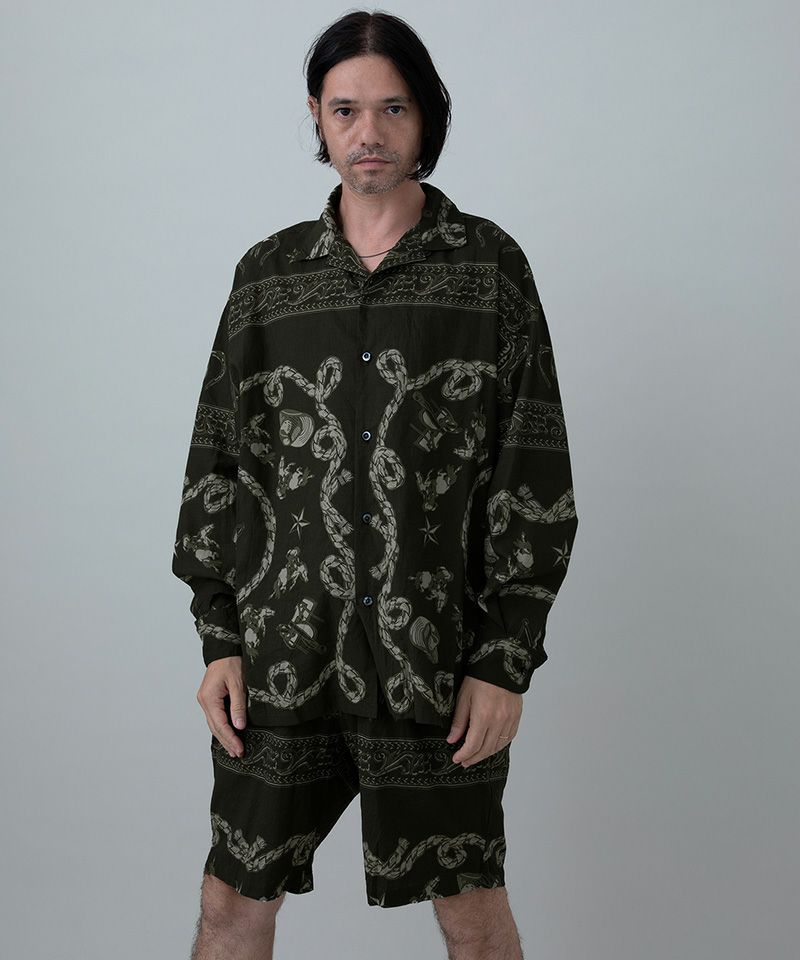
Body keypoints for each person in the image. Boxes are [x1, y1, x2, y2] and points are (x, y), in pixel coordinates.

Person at [171, 10, 579, 959]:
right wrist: (219, 637)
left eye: (393, 108)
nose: (369, 132)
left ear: (426, 116)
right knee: (231, 904)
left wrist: (504, 658)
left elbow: (533, 466)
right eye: (345, 109)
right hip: (283, 657)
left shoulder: (489, 269)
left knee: (473, 913)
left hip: (435, 665)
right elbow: (218, 462)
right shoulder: (267, 278)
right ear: (317, 119)